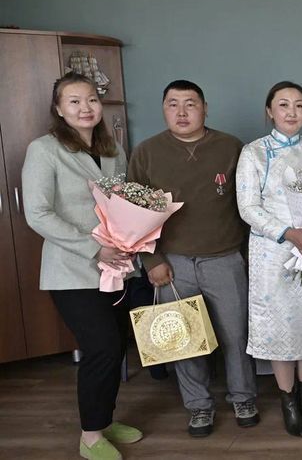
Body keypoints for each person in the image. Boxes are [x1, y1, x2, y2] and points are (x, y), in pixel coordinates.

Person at [127, 80, 259, 438]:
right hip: (172, 263)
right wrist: (152, 260)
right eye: (173, 104)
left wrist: (249, 256)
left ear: (205, 108)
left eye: (190, 103)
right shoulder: (146, 152)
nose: (182, 112)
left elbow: (248, 205)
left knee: (236, 335)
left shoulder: (231, 147)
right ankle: (199, 406)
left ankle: (244, 397)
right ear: (163, 109)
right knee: (183, 339)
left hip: (225, 258)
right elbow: (131, 214)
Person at [22, 72, 143, 460]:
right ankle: (90, 436)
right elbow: (38, 214)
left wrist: (133, 240)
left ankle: (103, 420)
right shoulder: (44, 150)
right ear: (59, 109)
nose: (85, 107)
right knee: (101, 348)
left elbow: (125, 204)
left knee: (116, 346)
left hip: (118, 266)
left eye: (91, 99)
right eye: (73, 101)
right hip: (72, 270)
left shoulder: (113, 150)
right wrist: (94, 249)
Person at [236, 81, 302, 437]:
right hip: (274, 252)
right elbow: (248, 207)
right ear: (270, 111)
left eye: (299, 105)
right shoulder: (254, 153)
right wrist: (288, 233)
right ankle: (288, 399)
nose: (292, 112)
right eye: (283, 105)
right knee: (282, 325)